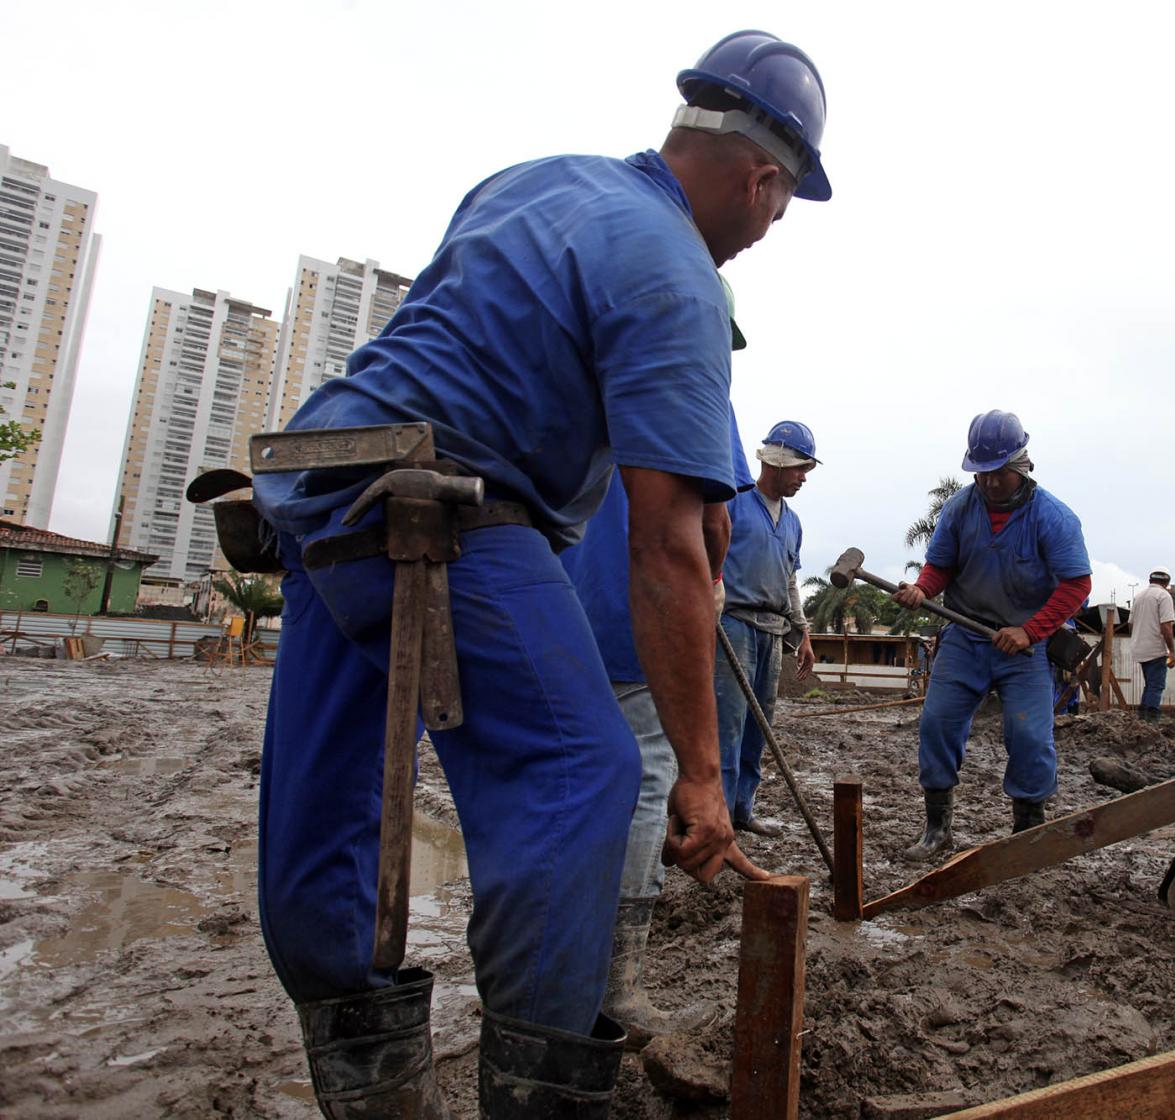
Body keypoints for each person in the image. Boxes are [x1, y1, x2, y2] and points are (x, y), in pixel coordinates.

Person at [250, 30, 831, 1118]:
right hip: (457, 503)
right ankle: (541, 1086)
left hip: (319, 485)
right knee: (585, 774)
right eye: (783, 202)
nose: (772, 226)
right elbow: (663, 548)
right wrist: (702, 780)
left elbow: (466, 344)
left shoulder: (531, 183)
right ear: (761, 179)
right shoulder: (678, 277)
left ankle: (369, 1085)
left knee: (332, 798)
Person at [560, 276, 764, 1046]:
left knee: (567, 785)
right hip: (639, 620)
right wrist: (709, 588)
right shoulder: (702, 391)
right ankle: (619, 987)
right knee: (649, 780)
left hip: (552, 611)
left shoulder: (586, 375)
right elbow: (716, 521)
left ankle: (542, 974)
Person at [892, 410, 1091, 860]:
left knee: (1028, 735)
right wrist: (922, 589)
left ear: (1020, 465)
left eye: (997, 473)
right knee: (937, 722)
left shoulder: (1054, 518)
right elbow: (940, 565)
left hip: (1026, 646)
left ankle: (1027, 829)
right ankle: (937, 826)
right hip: (966, 635)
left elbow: (1077, 585)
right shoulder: (959, 509)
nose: (988, 483)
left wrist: (1030, 630)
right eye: (980, 474)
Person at [713, 420, 819, 837]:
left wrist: (803, 633)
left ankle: (743, 808)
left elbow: (790, 582)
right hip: (734, 625)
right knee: (730, 723)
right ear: (775, 464)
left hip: (773, 632)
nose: (803, 477)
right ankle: (719, 816)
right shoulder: (734, 505)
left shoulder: (792, 523)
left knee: (759, 727)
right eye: (798, 468)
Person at [1131, 568, 1175, 722]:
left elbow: (1130, 625)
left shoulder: (1138, 597)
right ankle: (1150, 722)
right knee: (1156, 686)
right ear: (1166, 583)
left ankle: (1142, 719)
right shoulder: (1163, 596)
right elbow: (1166, 626)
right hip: (1156, 648)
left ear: (1150, 581)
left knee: (1149, 685)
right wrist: (1172, 651)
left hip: (1139, 648)